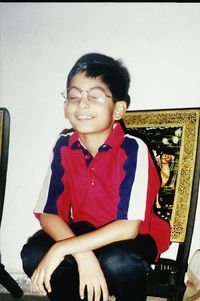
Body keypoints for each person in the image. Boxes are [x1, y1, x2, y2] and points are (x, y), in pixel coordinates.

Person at [21, 52, 171, 301]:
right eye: (74, 95)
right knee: (35, 253)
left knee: (118, 262)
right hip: (85, 230)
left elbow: (129, 227)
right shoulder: (63, 146)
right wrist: (82, 254)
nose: (82, 104)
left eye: (95, 96)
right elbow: (48, 212)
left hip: (132, 237)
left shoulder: (133, 149)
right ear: (65, 105)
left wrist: (64, 248)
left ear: (119, 109)